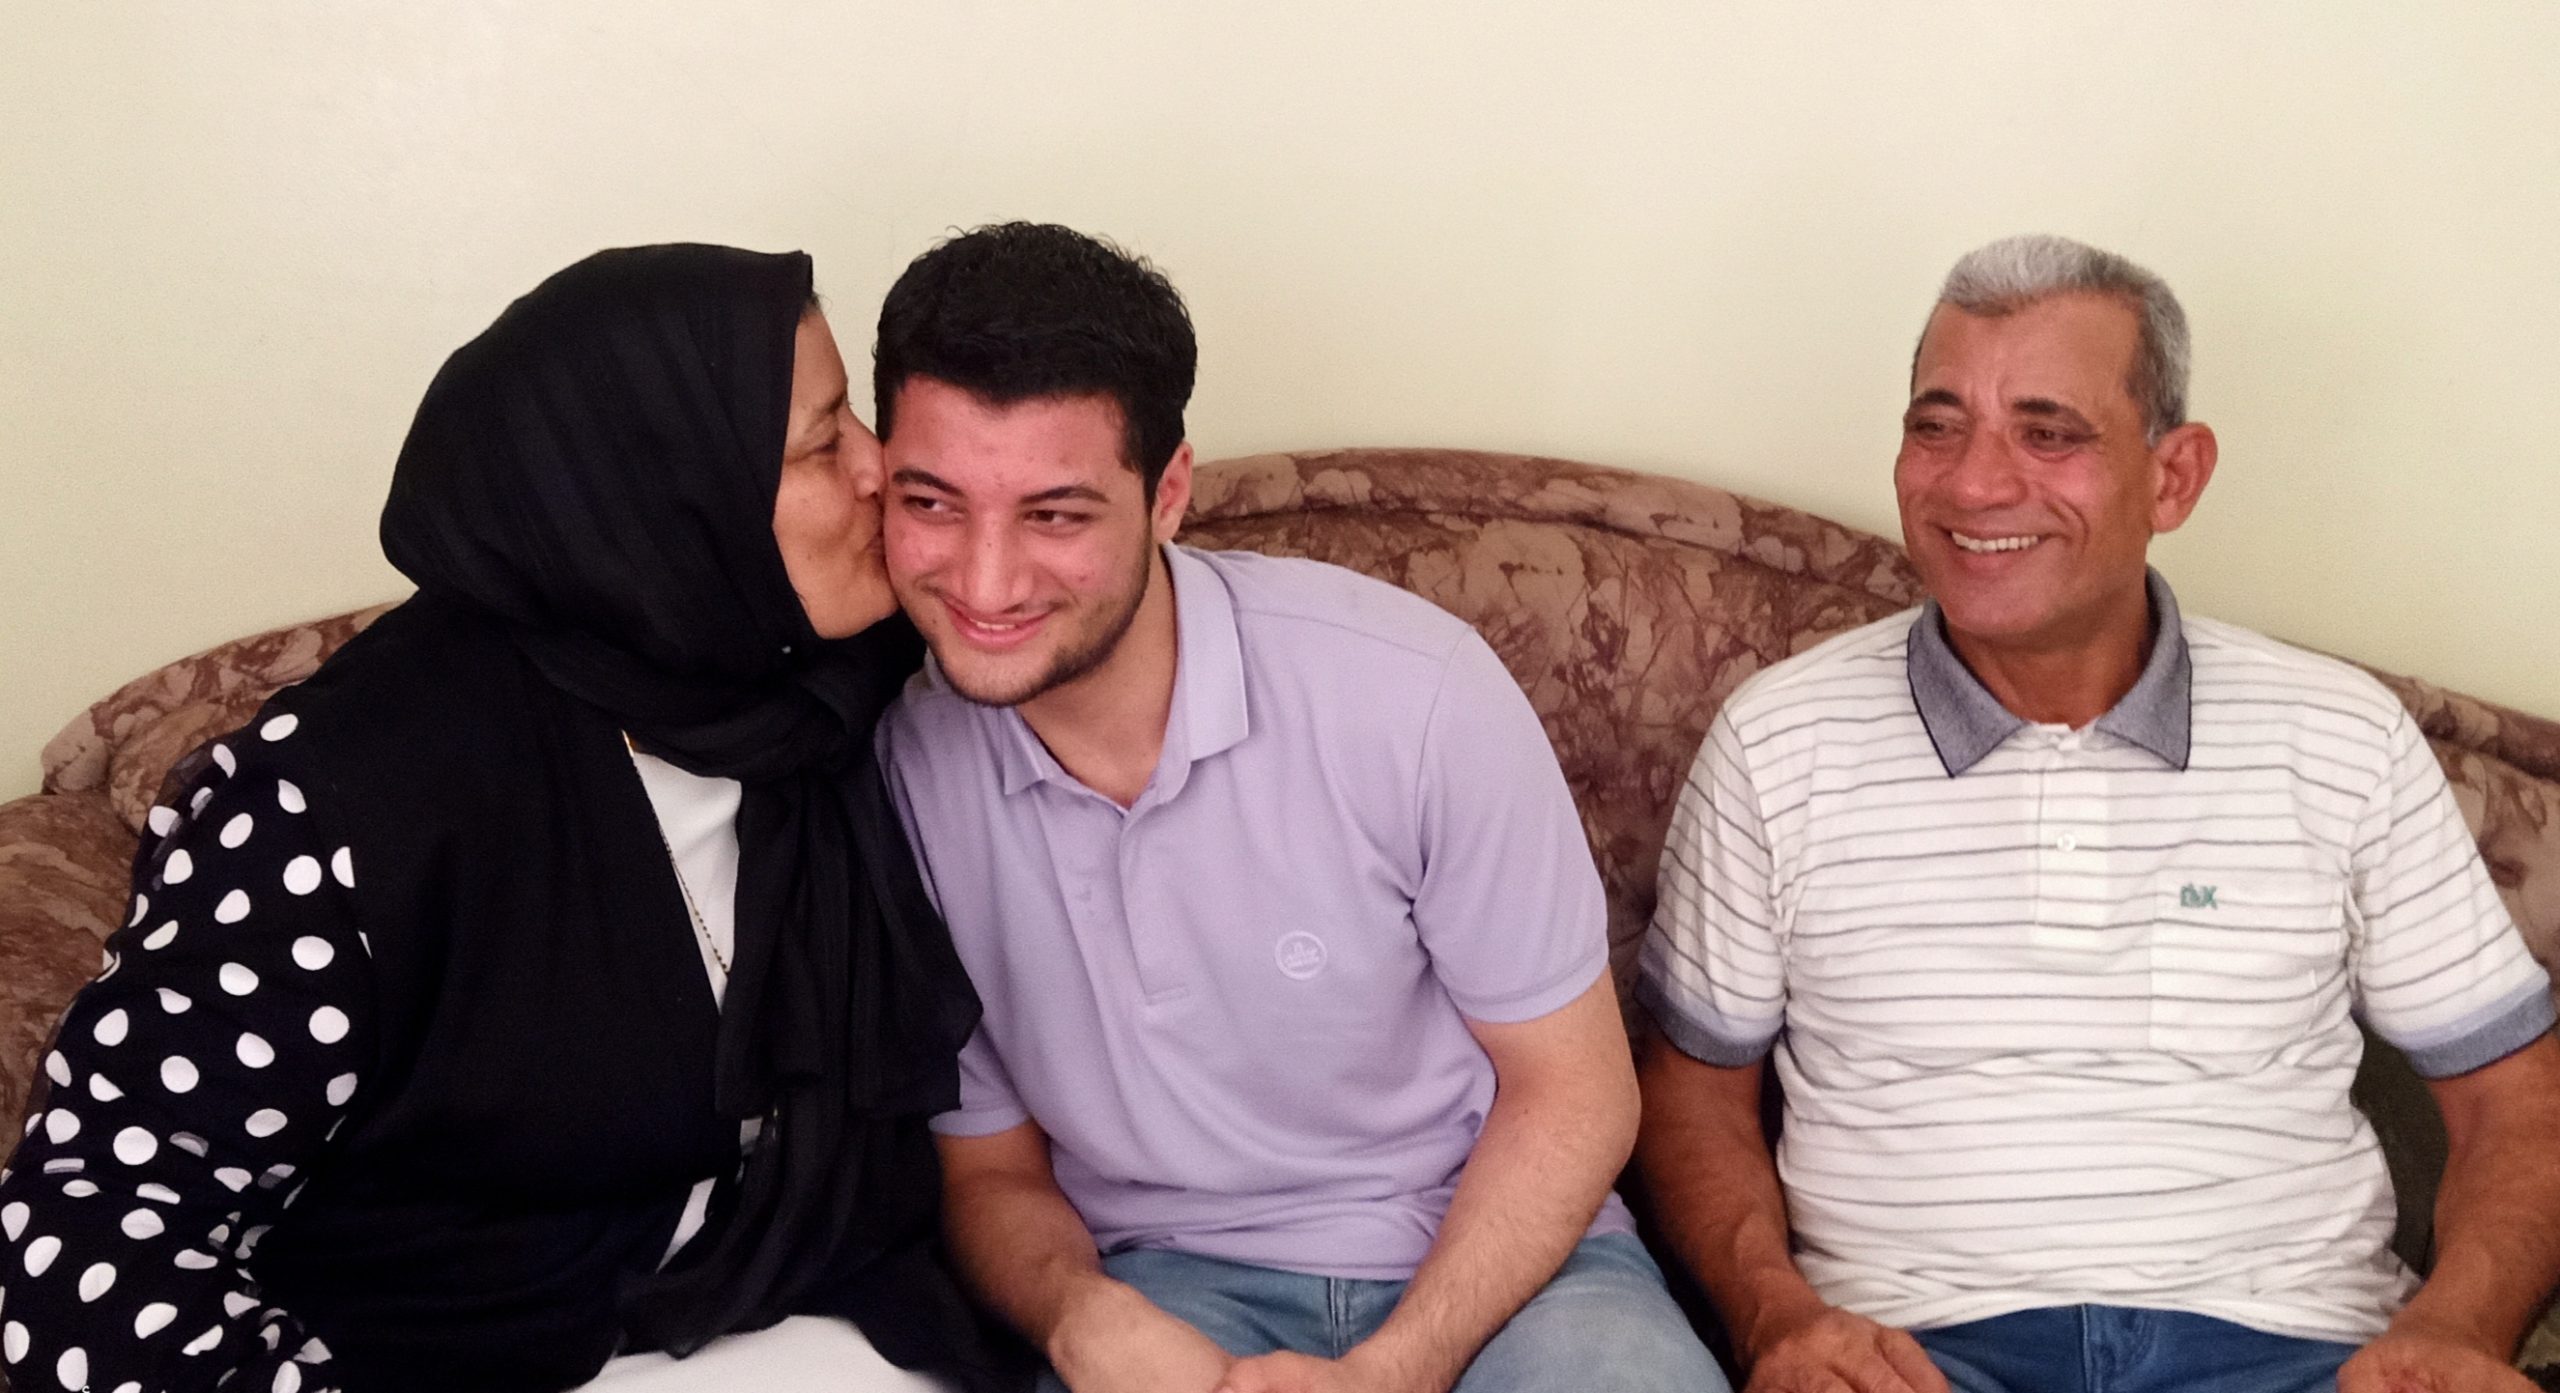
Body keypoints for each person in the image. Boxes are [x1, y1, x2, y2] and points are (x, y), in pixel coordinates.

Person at [0, 245, 1022, 1393]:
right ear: (668, 498)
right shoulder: (344, 804)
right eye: (822, 440)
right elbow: (90, 1236)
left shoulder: (833, 689)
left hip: (802, 1316)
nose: (884, 467)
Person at [1635, 233, 2560, 1393]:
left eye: (2048, 432)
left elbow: (2513, 1104)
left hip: (2298, 1352)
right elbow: (1690, 1095)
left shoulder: (2340, 736)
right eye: (1936, 425)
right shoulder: (1781, 738)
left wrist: (2457, 1331)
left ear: (2173, 476)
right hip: (1915, 1359)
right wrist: (1777, 1319)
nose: (1974, 484)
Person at [869, 222, 1724, 1393]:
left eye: (1054, 515)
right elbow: (989, 1169)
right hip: (1159, 1281)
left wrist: (1397, 1368)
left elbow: (1572, 1090)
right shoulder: (899, 768)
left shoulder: (1412, 692)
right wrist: (1076, 1314)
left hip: (1509, 1262)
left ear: (1168, 494)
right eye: (932, 502)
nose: (985, 580)